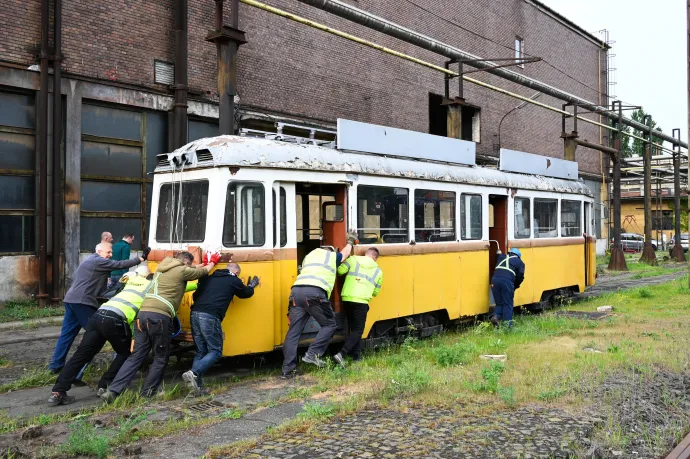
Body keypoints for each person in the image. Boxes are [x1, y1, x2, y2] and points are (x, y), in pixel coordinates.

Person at [101, 251, 220, 402]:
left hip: (142, 315)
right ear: (185, 263)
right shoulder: (181, 270)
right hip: (160, 317)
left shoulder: (162, 268)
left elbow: (193, 268)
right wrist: (213, 262)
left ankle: (112, 391)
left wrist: (198, 265)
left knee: (136, 356)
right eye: (189, 265)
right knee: (161, 356)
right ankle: (148, 393)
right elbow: (201, 272)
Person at [47, 266, 153, 406]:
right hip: (115, 320)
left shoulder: (130, 279)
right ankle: (105, 384)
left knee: (81, 355)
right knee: (125, 353)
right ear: (148, 276)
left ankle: (58, 392)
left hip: (98, 315)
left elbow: (124, 277)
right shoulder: (150, 285)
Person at [48, 242, 146, 374]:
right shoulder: (98, 261)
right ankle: (77, 372)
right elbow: (119, 265)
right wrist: (140, 259)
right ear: (99, 251)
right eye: (108, 253)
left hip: (72, 300)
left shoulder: (91, 261)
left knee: (67, 334)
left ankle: (56, 365)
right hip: (83, 302)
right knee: (96, 335)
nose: (111, 255)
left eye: (111, 252)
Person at [281, 235, 355, 379]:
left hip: (296, 292)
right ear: (330, 251)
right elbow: (345, 254)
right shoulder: (330, 257)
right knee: (329, 325)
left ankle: (287, 370)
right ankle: (312, 354)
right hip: (314, 293)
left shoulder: (309, 256)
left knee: (293, 333)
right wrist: (350, 242)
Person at [182, 262, 259, 394]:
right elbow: (245, 294)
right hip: (210, 316)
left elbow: (195, 295)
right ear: (236, 273)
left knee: (201, 351)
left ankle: (196, 388)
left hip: (195, 313)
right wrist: (251, 286)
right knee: (215, 351)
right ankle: (194, 373)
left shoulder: (209, 277)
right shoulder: (233, 280)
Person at [333, 247, 383, 368]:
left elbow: (339, 271)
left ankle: (356, 356)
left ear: (366, 254)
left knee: (353, 329)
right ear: (375, 258)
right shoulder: (378, 271)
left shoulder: (353, 260)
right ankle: (341, 353)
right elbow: (376, 292)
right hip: (361, 301)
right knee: (358, 330)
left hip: (347, 298)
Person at [490, 248, 526, 328]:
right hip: (506, 282)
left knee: (499, 303)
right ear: (518, 256)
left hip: (494, 281)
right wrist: (515, 286)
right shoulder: (519, 262)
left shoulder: (501, 257)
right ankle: (508, 327)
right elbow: (520, 277)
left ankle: (495, 317)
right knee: (508, 304)